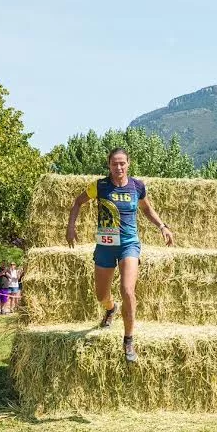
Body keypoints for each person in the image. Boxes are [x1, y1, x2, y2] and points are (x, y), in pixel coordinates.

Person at [66, 147, 174, 362]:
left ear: (128, 164)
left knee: (127, 289)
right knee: (101, 295)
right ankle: (111, 308)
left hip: (129, 244)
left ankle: (128, 340)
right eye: (114, 163)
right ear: (109, 165)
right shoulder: (99, 186)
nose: (118, 167)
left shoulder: (137, 186)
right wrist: (71, 226)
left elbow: (146, 209)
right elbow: (78, 202)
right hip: (106, 245)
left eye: (122, 163)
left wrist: (162, 226)